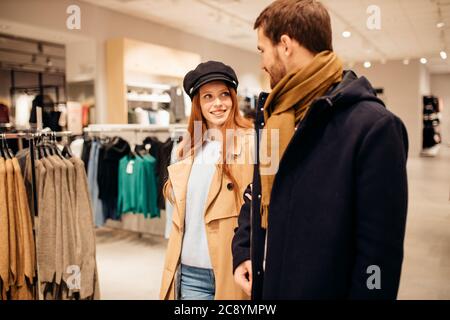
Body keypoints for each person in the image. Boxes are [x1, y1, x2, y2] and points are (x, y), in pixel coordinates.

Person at [232, 0, 409, 299]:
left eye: (262, 49)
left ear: (285, 45)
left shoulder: (373, 128)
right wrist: (244, 250)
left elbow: (377, 258)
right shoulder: (277, 118)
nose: (262, 62)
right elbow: (260, 194)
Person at [160, 61, 254, 300]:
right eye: (208, 97)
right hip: (190, 272)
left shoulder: (251, 143)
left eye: (224, 94)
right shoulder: (185, 150)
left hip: (233, 267)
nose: (218, 103)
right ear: (198, 105)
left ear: (233, 98)